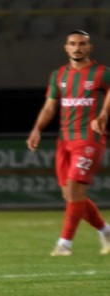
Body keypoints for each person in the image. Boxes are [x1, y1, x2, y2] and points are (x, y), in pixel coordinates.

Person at [26, 30, 110, 256]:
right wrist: (37, 130)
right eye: (73, 44)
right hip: (65, 141)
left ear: (89, 47)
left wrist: (103, 115)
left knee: (74, 191)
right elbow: (50, 106)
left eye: (82, 44)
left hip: (89, 139)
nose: (77, 48)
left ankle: (65, 244)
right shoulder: (59, 75)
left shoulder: (101, 73)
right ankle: (106, 230)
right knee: (71, 196)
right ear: (66, 47)